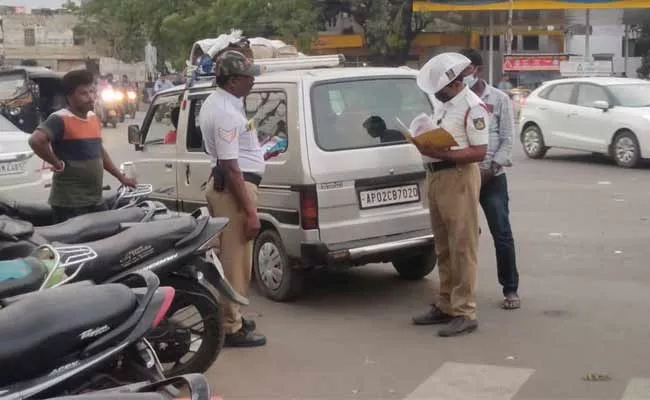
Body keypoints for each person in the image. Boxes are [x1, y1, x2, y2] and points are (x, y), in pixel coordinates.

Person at [411, 53, 489, 337]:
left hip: (458, 178)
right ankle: (445, 303)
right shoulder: (443, 106)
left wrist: (439, 152)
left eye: (440, 88)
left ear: (453, 83)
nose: (437, 93)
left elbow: (479, 152)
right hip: (436, 177)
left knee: (462, 246)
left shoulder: (473, 107)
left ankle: (465, 311)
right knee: (442, 245)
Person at [198, 50, 266, 347]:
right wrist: (251, 212)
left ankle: (233, 316)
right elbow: (231, 167)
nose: (253, 82)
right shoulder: (225, 112)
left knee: (234, 259)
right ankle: (230, 326)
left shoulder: (222, 102)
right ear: (234, 80)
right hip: (234, 190)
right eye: (249, 77)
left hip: (230, 186)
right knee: (235, 262)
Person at [28, 69, 137, 224]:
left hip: (95, 199)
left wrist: (121, 177)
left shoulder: (93, 118)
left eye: (92, 92)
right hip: (70, 204)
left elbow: (99, 151)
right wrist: (57, 163)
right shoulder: (60, 118)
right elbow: (36, 140)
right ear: (69, 97)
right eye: (83, 94)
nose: (90, 98)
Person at [459, 48, 520, 310]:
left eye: (466, 71)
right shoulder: (455, 100)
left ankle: (510, 289)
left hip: (492, 176)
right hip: (463, 176)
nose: (463, 77)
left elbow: (507, 138)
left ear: (478, 70)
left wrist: (492, 168)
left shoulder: (499, 99)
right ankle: (459, 292)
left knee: (502, 233)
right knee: (461, 236)